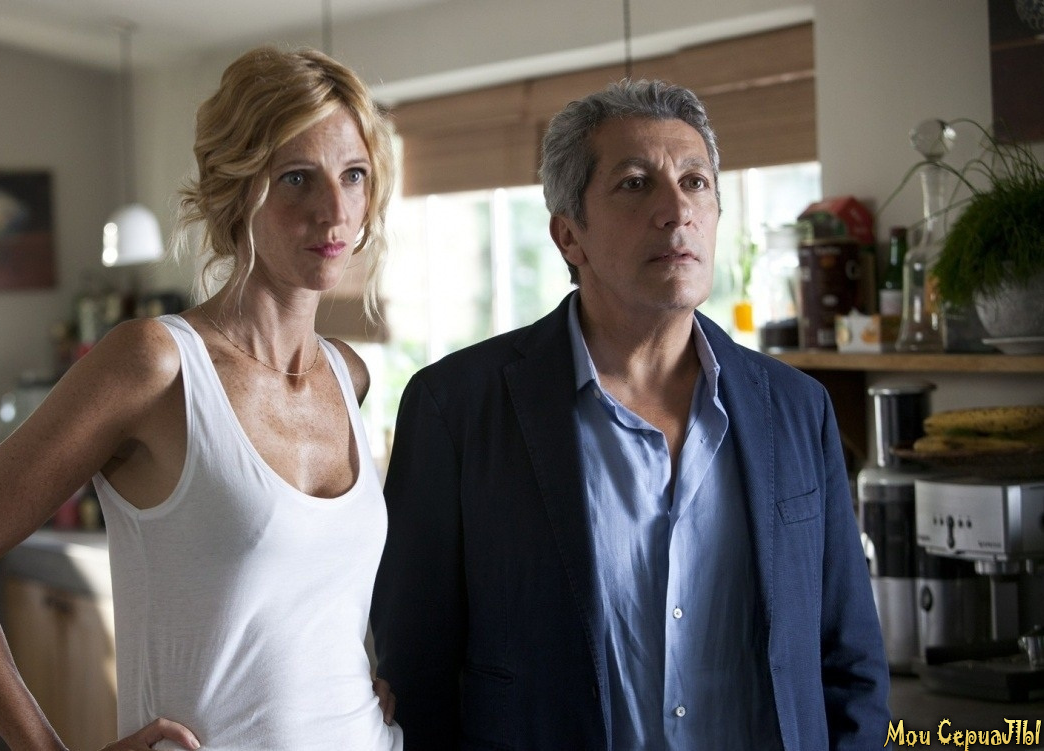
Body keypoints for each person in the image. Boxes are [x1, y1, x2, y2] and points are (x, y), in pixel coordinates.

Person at [0, 46, 401, 751]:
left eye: (353, 175)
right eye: (296, 178)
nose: (334, 211)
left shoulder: (349, 376)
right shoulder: (157, 365)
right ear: (237, 191)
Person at [371, 79, 889, 750]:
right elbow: (418, 677)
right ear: (569, 236)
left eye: (695, 182)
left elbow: (850, 663)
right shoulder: (456, 409)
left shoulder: (796, 408)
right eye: (635, 184)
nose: (676, 210)